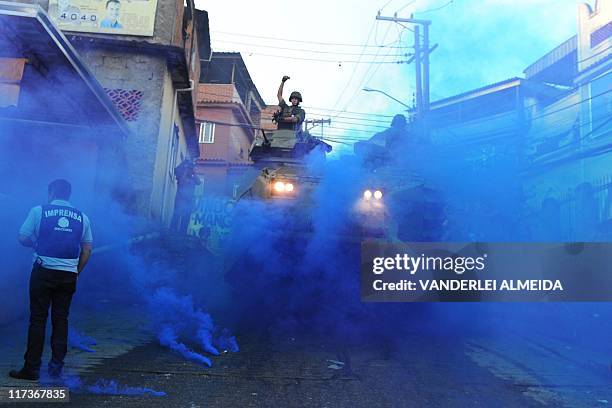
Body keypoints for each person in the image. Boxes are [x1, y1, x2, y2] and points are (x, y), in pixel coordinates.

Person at [9, 179, 93, 381]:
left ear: (51, 192)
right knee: (60, 319)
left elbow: (22, 237)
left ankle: (31, 369)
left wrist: (34, 243)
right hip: (67, 275)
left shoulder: (39, 211)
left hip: (43, 270)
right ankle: (56, 369)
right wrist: (76, 271)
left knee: (38, 319)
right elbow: (87, 249)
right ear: (69, 195)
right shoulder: (83, 217)